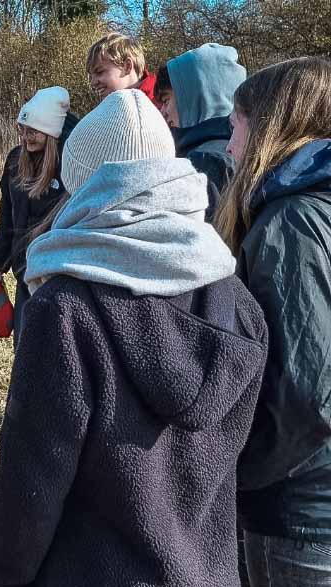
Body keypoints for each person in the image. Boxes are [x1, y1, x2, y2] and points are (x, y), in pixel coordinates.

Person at [0, 89, 268, 586]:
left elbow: (33, 475)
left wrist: (8, 573)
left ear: (85, 187)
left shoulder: (65, 308)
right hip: (207, 572)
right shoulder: (239, 302)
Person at [214, 56, 331, 586]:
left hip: (301, 511)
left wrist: (235, 469)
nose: (229, 144)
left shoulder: (294, 223)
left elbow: (307, 390)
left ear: (267, 124)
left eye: (236, 124)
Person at [0, 86, 77, 345]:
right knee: (24, 346)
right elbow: (7, 215)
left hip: (55, 273)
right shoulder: (16, 160)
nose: (26, 137)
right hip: (24, 268)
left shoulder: (68, 166)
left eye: (33, 131)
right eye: (23, 130)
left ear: (51, 132)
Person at [155, 43, 247, 221]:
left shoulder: (205, 161)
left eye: (166, 100)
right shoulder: (241, 148)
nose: (163, 111)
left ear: (192, 98)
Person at [86, 32, 162, 108]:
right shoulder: (112, 108)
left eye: (99, 72)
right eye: (91, 76)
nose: (93, 83)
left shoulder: (161, 106)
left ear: (127, 66)